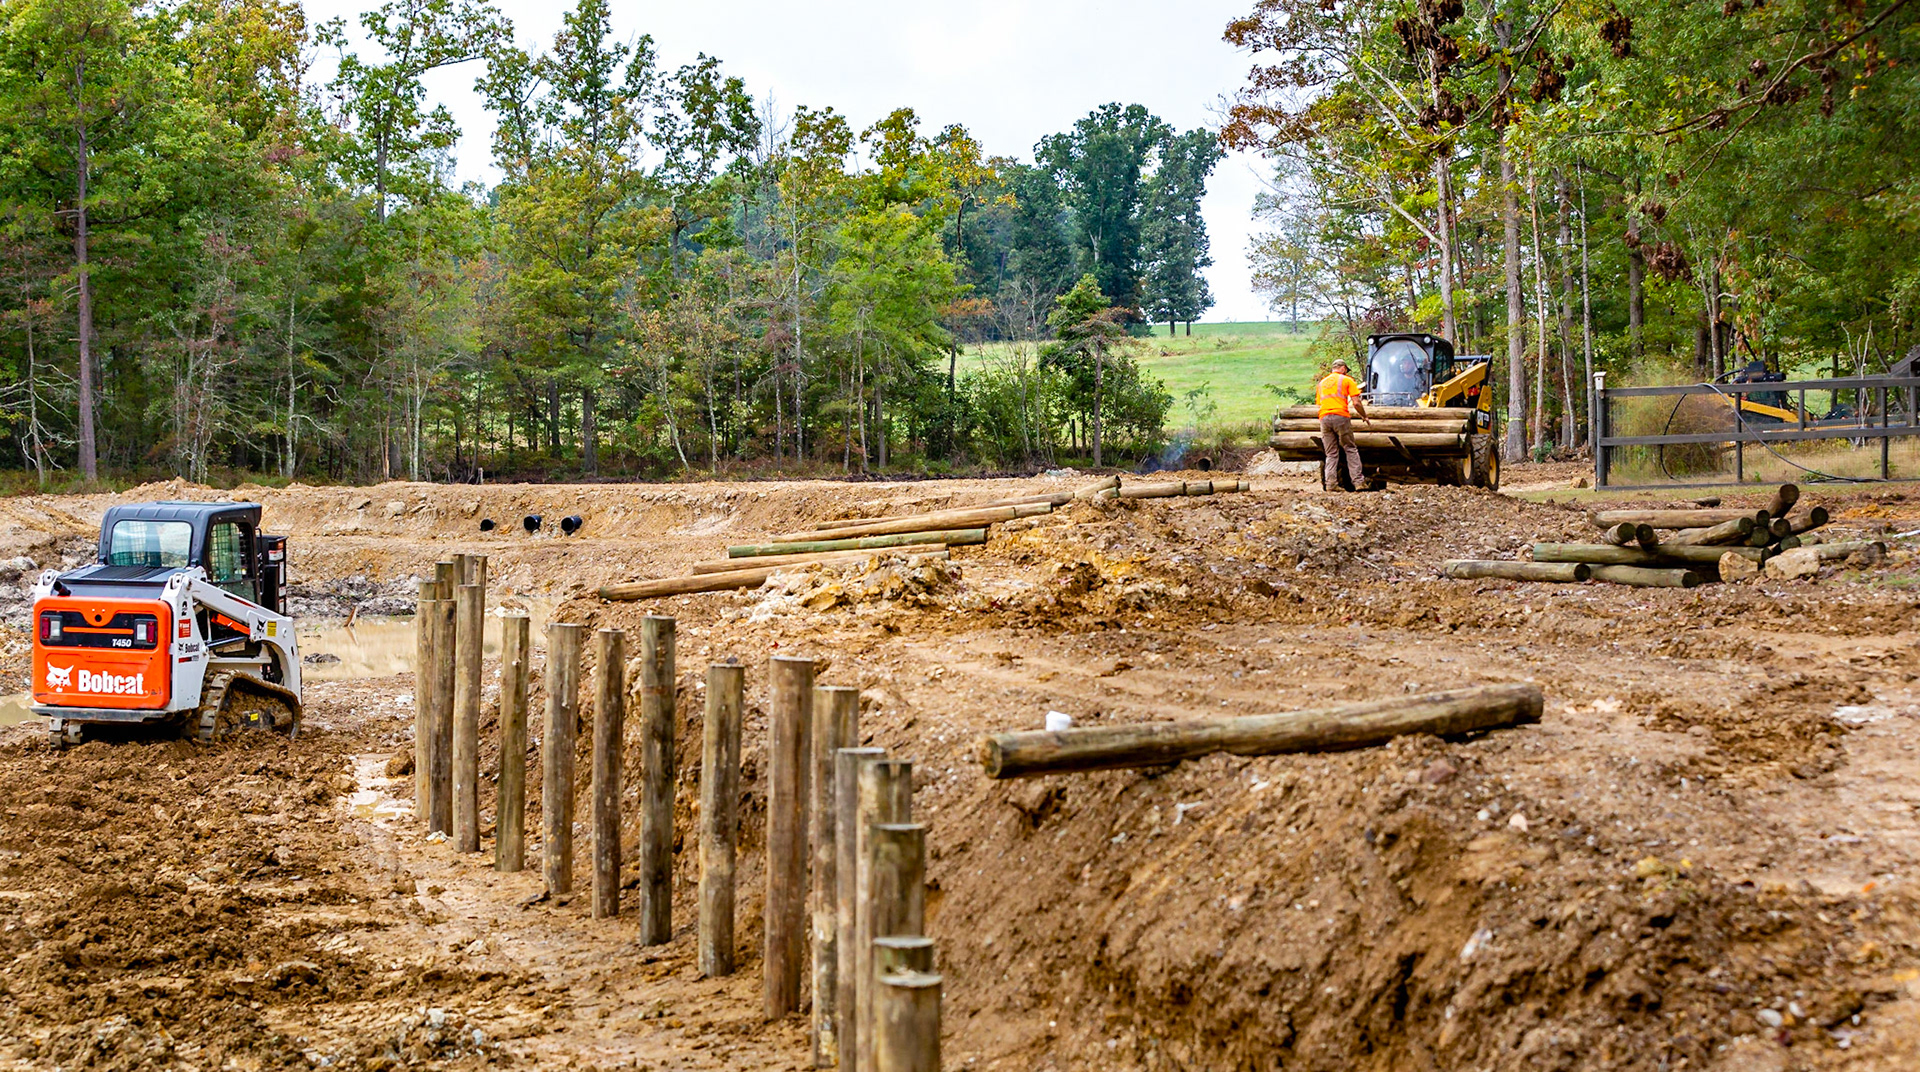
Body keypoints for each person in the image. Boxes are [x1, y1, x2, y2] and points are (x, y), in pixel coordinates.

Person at [1316, 359, 1370, 490]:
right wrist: (1364, 416)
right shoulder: (1347, 380)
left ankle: (1331, 484)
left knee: (1331, 453)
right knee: (1350, 449)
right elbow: (1356, 402)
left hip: (1324, 418)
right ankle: (1358, 482)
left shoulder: (1322, 383)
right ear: (1343, 368)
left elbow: (1319, 404)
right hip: (1340, 416)